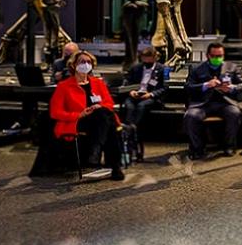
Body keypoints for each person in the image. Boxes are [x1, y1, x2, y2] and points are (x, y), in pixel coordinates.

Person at [48, 50, 125, 180]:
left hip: (100, 120)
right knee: (110, 124)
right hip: (78, 122)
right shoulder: (64, 86)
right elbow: (55, 112)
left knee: (103, 114)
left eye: (88, 62)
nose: (86, 64)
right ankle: (114, 166)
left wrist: (100, 106)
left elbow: (109, 103)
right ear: (73, 65)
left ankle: (96, 150)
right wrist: (79, 114)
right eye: (82, 62)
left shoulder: (98, 83)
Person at [183, 42, 242, 159]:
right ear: (208, 56)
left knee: (234, 113)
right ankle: (197, 149)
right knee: (191, 116)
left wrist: (231, 88)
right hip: (202, 104)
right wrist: (206, 85)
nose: (217, 59)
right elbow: (188, 87)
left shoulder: (232, 67)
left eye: (220, 56)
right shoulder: (197, 69)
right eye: (214, 56)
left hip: (225, 103)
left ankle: (229, 146)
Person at [122, 46, 170, 132]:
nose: (147, 63)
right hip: (136, 95)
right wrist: (131, 91)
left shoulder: (162, 69)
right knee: (129, 105)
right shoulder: (136, 68)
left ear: (155, 58)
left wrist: (151, 94)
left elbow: (165, 87)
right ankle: (127, 128)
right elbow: (128, 82)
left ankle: (133, 129)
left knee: (142, 105)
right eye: (145, 60)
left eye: (149, 60)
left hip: (152, 97)